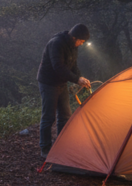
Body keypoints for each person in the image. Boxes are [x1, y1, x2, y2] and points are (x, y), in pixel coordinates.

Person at [37, 23, 91, 158]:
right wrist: (76, 80)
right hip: (48, 82)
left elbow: (73, 65)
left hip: (61, 83)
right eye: (81, 41)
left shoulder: (73, 46)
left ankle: (61, 144)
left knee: (65, 114)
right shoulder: (56, 43)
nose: (82, 44)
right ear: (74, 38)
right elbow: (58, 67)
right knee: (48, 116)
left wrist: (80, 77)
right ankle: (45, 149)